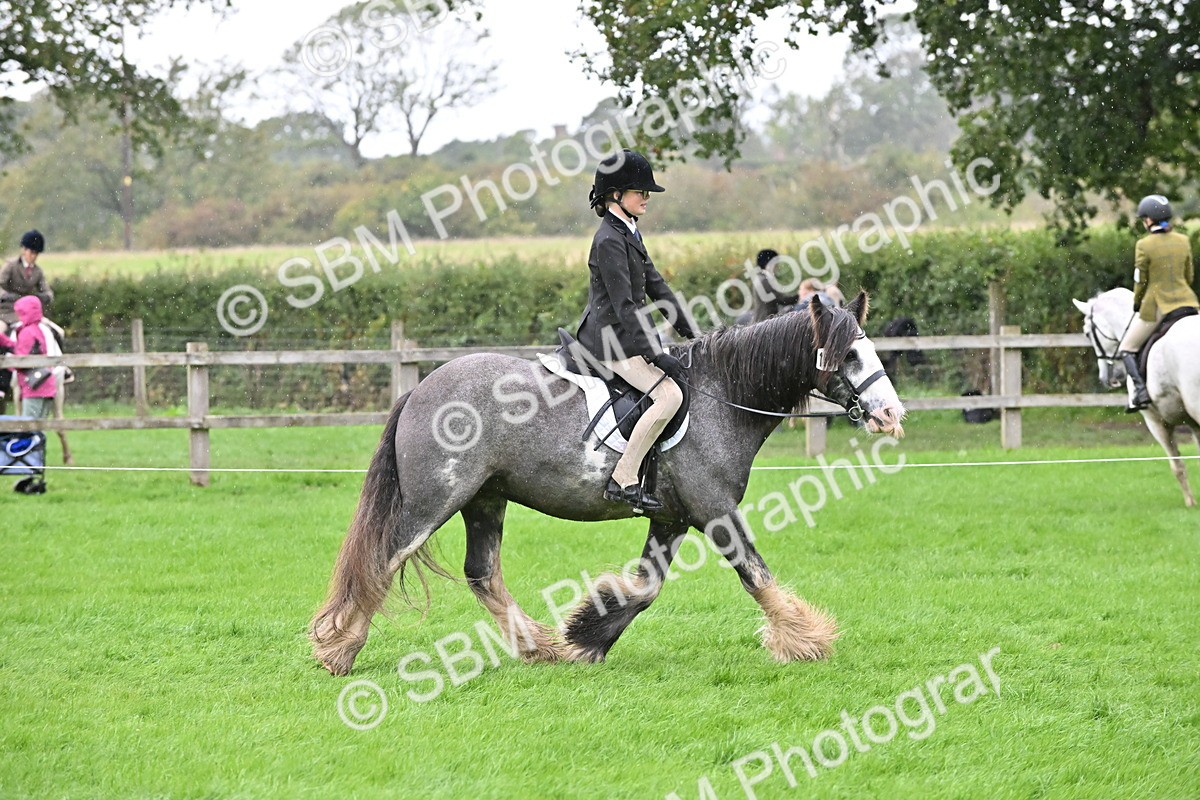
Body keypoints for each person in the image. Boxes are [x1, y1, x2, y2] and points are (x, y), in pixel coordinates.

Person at [576, 149, 698, 513]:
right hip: (609, 342)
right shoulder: (608, 240)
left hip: (624, 336)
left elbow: (656, 286)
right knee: (669, 396)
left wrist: (693, 332)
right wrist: (655, 353)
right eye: (639, 192)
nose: (646, 198)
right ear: (616, 194)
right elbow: (625, 305)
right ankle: (623, 477)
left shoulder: (628, 231)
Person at [1117, 194, 1198, 412]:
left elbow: (1140, 281)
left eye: (1144, 219)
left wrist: (1137, 303)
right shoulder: (1183, 241)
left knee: (1127, 347)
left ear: (1149, 220)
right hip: (1190, 304)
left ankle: (1140, 393)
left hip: (1160, 307)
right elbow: (1189, 275)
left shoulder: (1144, 245)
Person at [0, 296, 58, 419]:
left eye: (20, 313)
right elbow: (25, 350)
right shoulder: (37, 329)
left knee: (29, 429)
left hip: (34, 387)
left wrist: (7, 366)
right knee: (39, 430)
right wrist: (4, 340)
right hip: (46, 384)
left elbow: (21, 359)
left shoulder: (27, 332)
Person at [0, 230, 54, 335]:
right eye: (31, 252)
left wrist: (44, 296)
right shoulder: (11, 266)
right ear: (23, 250)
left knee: (57, 332)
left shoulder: (38, 271)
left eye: (36, 253)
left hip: (29, 314)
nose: (33, 256)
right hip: (7, 311)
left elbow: (48, 292)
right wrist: (5, 295)